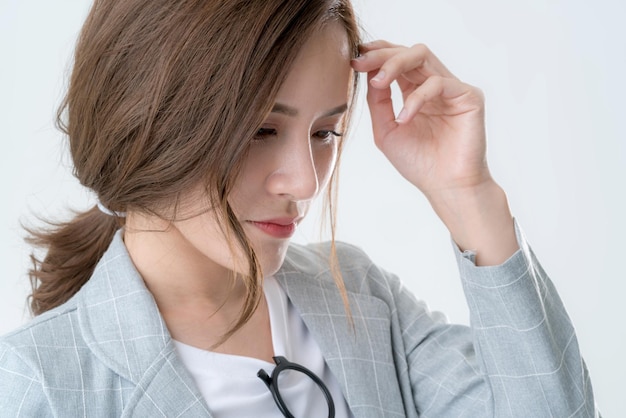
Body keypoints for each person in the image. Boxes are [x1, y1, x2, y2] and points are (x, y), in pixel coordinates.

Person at [0, 0, 600, 417]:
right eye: (262, 130)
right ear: (150, 123)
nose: (306, 183)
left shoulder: (363, 298)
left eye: (325, 132)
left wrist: (469, 196)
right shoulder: (38, 385)